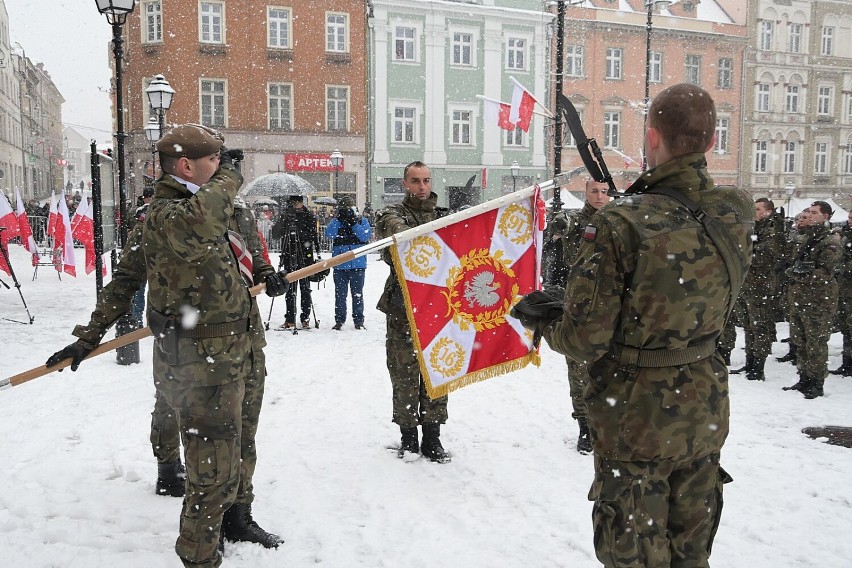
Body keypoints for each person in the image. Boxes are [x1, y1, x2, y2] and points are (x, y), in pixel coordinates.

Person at [515, 84, 753, 567]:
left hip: (637, 416)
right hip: (703, 408)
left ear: (651, 137)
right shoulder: (736, 210)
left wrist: (546, 322)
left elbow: (585, 339)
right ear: (711, 143)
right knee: (690, 552)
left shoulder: (620, 223)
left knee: (637, 556)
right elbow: (677, 291)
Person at [46, 124, 290, 567]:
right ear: (185, 166)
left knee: (242, 442)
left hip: (244, 347)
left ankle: (238, 517)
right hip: (200, 361)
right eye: (214, 162)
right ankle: (198, 553)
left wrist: (266, 275)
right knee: (211, 462)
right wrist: (88, 337)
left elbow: (243, 257)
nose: (222, 170)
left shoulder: (226, 212)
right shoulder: (164, 217)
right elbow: (125, 280)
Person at [375, 161, 450, 463]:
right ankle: (408, 437)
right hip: (403, 307)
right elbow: (402, 236)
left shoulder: (447, 217)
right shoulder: (390, 215)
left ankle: (433, 436)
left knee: (437, 370)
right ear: (405, 183)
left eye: (426, 180)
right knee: (404, 371)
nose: (422, 187)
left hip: (437, 307)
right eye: (415, 181)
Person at [544, 179, 611, 453]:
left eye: (604, 192)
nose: (599, 196)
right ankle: (584, 427)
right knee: (579, 369)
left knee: (609, 368)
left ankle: (605, 425)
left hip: (610, 304)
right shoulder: (575, 219)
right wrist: (557, 221)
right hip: (580, 304)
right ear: (585, 193)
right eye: (594, 191)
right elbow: (560, 223)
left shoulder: (617, 220)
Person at [782, 201, 840, 398]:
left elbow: (825, 272)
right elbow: (795, 262)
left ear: (825, 217)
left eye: (814, 213)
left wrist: (798, 274)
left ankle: (816, 382)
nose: (809, 215)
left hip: (818, 301)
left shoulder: (829, 241)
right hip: (800, 299)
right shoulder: (807, 238)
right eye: (808, 211)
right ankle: (804, 378)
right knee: (800, 341)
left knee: (816, 343)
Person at [730, 198, 779, 381]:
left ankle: (759, 366)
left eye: (757, 209)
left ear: (768, 211)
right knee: (749, 327)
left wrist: (742, 253)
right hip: (748, 285)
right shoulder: (754, 229)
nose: (754, 212)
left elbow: (761, 258)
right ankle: (750, 362)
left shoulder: (772, 231)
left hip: (761, 287)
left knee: (760, 328)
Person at [272, 195, 320, 329]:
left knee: (305, 289)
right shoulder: (286, 216)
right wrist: (284, 219)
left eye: (296, 203)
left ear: (300, 203)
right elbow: (276, 234)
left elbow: (313, 236)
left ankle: (305, 318)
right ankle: (290, 319)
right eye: (292, 203)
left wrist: (299, 232)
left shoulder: (308, 216)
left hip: (305, 256)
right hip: (289, 255)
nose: (294, 206)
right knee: (289, 289)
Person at [325, 197, 372, 330]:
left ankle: (358, 320)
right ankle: (339, 319)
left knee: (357, 294)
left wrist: (354, 223)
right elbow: (329, 234)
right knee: (340, 294)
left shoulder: (362, 221)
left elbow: (365, 236)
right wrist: (338, 220)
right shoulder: (337, 221)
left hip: (357, 264)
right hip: (340, 264)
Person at [777, 212, 809, 366]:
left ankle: (801, 357)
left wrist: (792, 269)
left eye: (803, 219)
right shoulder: (795, 236)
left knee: (806, 327)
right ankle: (793, 350)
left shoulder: (810, 238)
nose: (799, 222)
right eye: (798, 219)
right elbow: (785, 253)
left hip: (806, 288)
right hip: (791, 285)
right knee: (793, 319)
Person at [831, 209, 852, 377]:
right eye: (850, 217)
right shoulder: (846, 237)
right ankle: (847, 362)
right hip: (844, 290)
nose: (850, 220)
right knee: (846, 327)